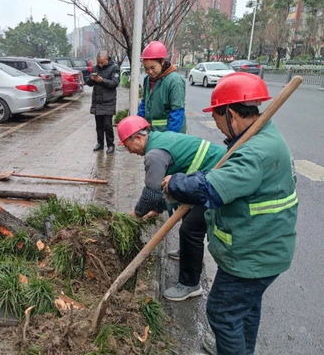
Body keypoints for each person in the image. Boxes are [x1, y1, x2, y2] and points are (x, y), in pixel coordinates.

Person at [162, 72, 298, 355]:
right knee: (245, 310)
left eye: (217, 119)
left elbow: (210, 189)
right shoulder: (258, 138)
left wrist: (175, 182)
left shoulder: (254, 152)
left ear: (232, 114)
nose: (218, 126)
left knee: (223, 313)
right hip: (263, 249)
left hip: (253, 256)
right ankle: (239, 347)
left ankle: (232, 345)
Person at [117, 115, 226, 301]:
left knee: (190, 230)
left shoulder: (154, 155)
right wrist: (158, 208)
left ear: (137, 138)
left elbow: (151, 193)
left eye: (127, 146)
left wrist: (136, 214)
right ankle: (188, 253)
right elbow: (161, 189)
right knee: (185, 214)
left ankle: (190, 285)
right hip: (205, 175)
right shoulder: (159, 140)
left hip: (216, 175)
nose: (129, 151)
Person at [138, 41, 186, 133]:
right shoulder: (147, 80)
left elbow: (177, 112)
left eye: (152, 68)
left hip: (168, 133)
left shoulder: (175, 81)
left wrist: (169, 138)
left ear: (162, 62)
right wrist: (139, 123)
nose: (150, 72)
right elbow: (144, 103)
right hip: (151, 132)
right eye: (146, 69)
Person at [86, 51, 120, 154]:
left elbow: (115, 83)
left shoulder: (114, 68)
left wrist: (102, 80)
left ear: (107, 59)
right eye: (98, 62)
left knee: (107, 125)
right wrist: (91, 79)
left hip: (108, 101)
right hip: (97, 101)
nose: (100, 64)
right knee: (99, 125)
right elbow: (88, 83)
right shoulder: (96, 68)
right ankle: (100, 144)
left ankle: (110, 145)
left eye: (102, 62)